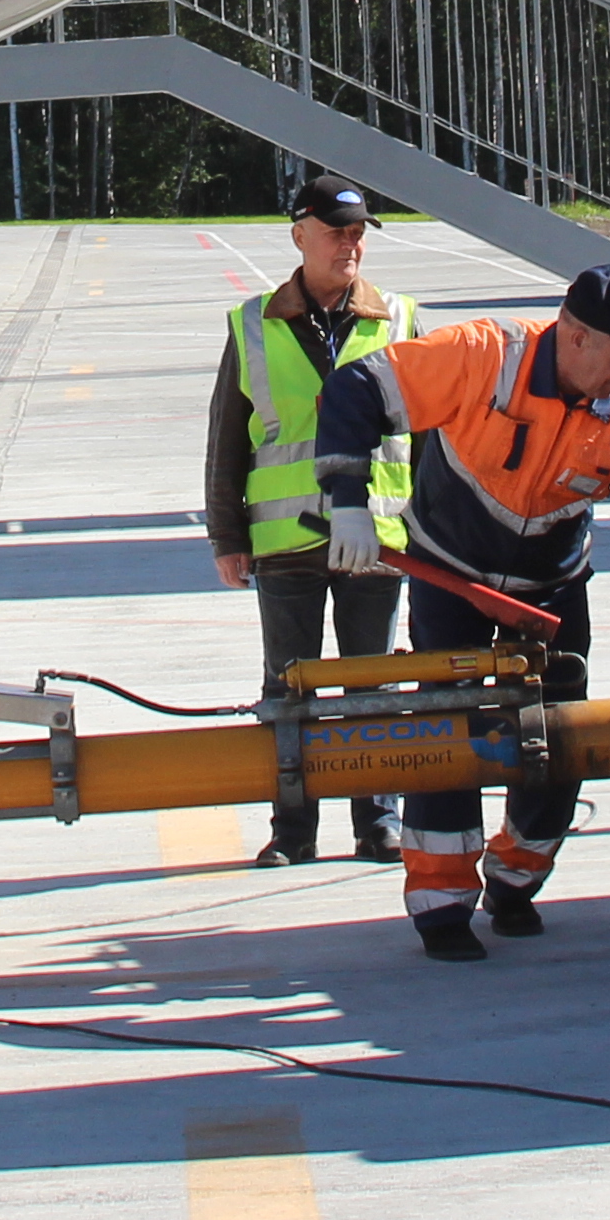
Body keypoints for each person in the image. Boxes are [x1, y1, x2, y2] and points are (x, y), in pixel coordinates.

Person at [311, 264, 610, 961]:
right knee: (451, 728)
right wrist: (347, 499)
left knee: (561, 736)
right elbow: (356, 388)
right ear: (576, 337)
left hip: (550, 590)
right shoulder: (481, 355)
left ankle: (516, 880)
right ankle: (440, 905)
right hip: (451, 573)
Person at [200, 175, 420, 866]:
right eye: (337, 232)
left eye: (359, 233)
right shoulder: (253, 325)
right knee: (289, 686)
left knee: (373, 685)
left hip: (380, 538)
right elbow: (226, 440)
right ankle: (292, 830)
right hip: (284, 539)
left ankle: (377, 821)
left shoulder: (402, 319)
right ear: (300, 235)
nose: (350, 245)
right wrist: (226, 536)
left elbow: (434, 438)